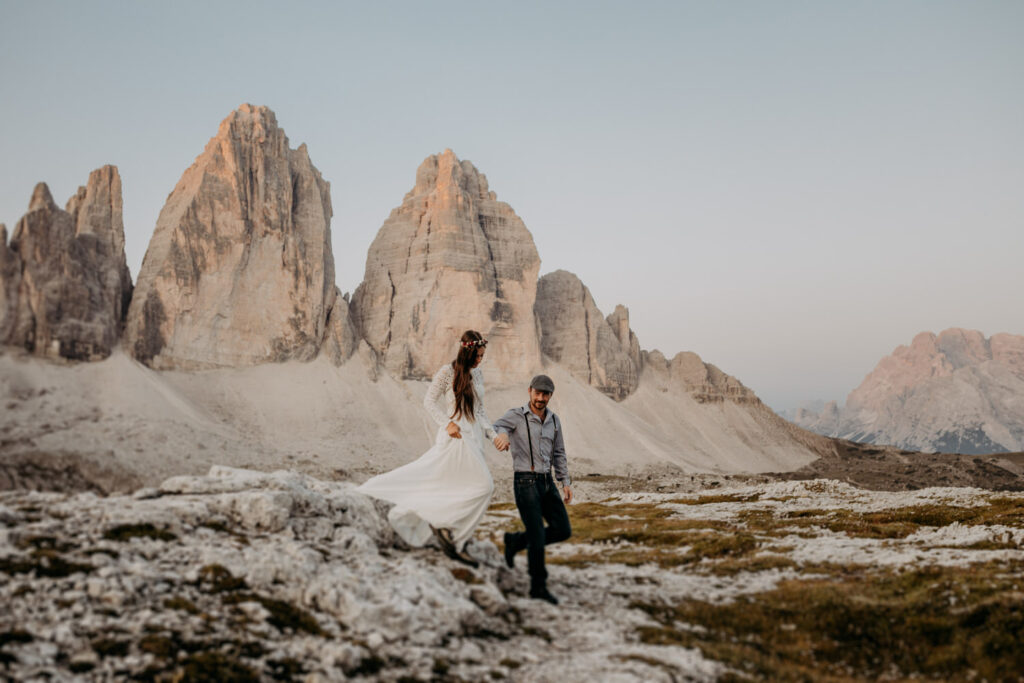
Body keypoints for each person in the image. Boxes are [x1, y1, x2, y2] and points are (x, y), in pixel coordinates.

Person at [357, 330, 496, 568]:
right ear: (467, 352)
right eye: (477, 356)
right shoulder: (447, 372)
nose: (480, 360)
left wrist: (492, 434)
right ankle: (450, 534)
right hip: (456, 436)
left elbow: (480, 410)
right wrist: (447, 423)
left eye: (482, 356)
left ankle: (452, 535)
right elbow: (429, 401)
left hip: (474, 438)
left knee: (462, 487)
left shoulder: (479, 374)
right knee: (484, 486)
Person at [492, 374, 573, 604]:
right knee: (537, 536)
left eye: (545, 394)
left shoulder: (554, 421)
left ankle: (516, 541)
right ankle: (538, 587)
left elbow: (559, 453)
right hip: (525, 482)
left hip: (547, 482)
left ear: (550, 395)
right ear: (530, 391)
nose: (540, 398)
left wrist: (565, 482)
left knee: (563, 529)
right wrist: (502, 435)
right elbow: (496, 426)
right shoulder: (517, 415)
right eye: (537, 393)